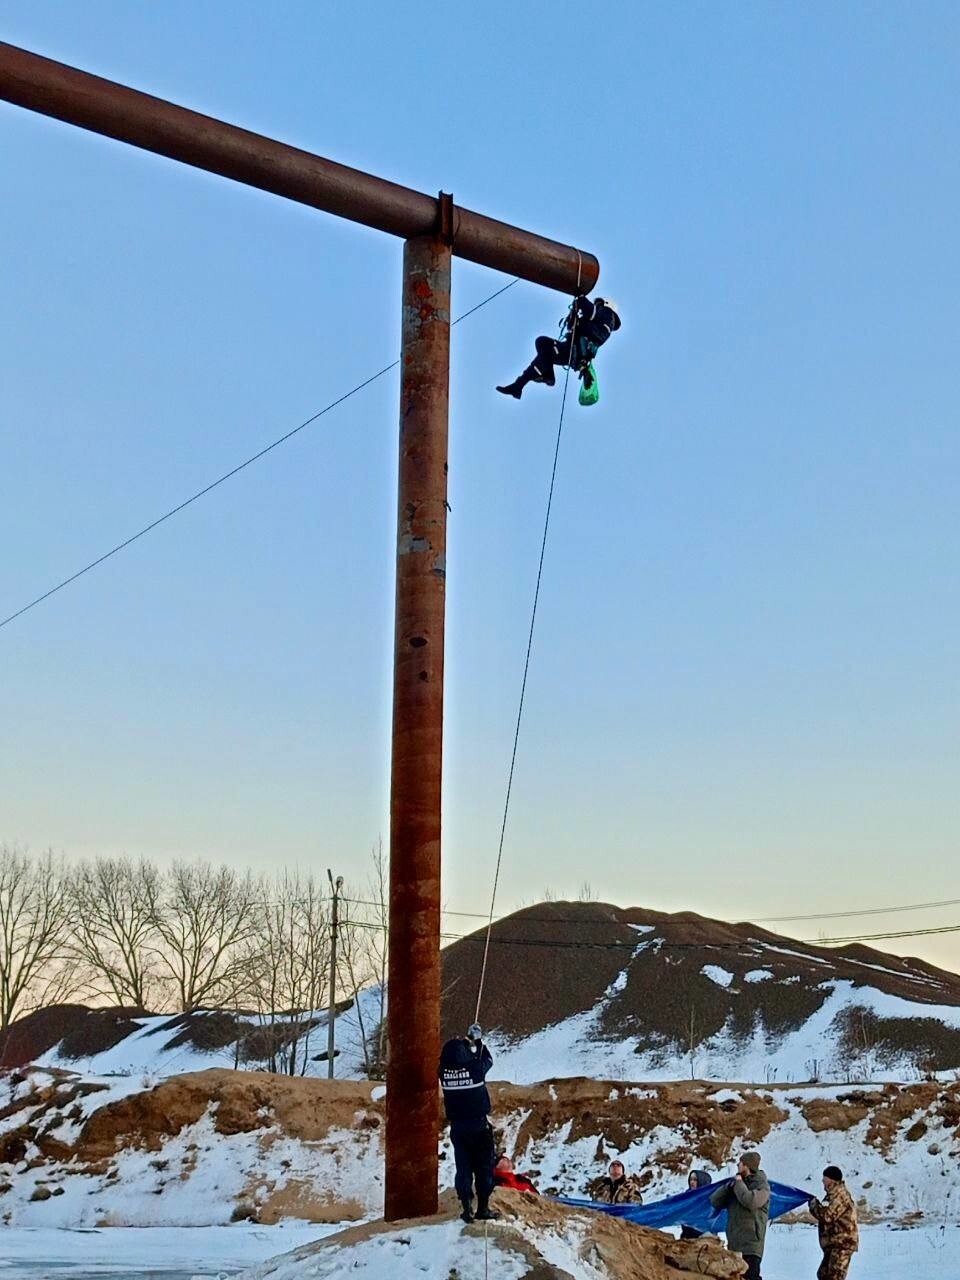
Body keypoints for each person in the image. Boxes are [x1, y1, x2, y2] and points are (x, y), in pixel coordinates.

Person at [496, 295, 621, 399]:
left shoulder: (606, 315)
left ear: (605, 305)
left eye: (598, 304)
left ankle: (519, 385)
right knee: (542, 343)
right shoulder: (601, 325)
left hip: (572, 351)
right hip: (572, 351)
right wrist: (574, 318)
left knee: (545, 351)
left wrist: (581, 298)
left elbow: (589, 310)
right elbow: (578, 326)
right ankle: (545, 375)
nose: (597, 306)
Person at [438, 1022, 497, 1224]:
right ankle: (483, 1208)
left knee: (463, 1168)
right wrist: (476, 1040)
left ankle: (466, 1209)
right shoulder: (475, 1069)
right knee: (483, 1167)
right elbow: (487, 1059)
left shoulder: (443, 1072)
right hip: (479, 1126)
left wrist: (464, 1043)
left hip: (458, 1128)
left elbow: (454, 1057)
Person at [709, 1152, 770, 1280]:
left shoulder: (762, 1187)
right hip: (734, 1244)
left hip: (751, 1245)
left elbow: (750, 1201)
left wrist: (738, 1184)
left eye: (740, 1163)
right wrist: (727, 1187)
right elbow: (715, 1201)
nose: (738, 1165)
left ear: (746, 1166)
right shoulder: (736, 1186)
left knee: (750, 1276)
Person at [808, 1166, 859, 1280]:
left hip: (842, 1243)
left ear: (831, 1180)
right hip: (834, 1243)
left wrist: (813, 1206)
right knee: (823, 1274)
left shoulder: (840, 1195)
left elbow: (827, 1216)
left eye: (824, 1178)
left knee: (834, 1276)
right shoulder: (832, 1195)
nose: (822, 1181)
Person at [679, 1168, 713, 1240]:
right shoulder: (686, 1197)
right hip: (687, 1239)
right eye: (691, 1179)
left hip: (705, 1239)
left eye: (695, 1180)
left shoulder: (709, 1199)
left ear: (702, 1181)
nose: (692, 1182)